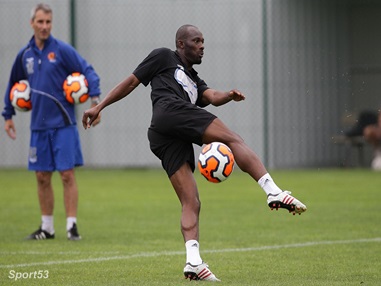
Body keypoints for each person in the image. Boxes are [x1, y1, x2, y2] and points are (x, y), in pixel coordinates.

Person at [82, 24, 307, 281]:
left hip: (162, 135)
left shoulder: (194, 79)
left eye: (203, 41)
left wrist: (229, 95)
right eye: (196, 41)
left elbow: (210, 95)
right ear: (181, 44)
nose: (202, 46)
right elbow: (132, 82)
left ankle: (193, 262)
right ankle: (272, 191)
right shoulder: (164, 56)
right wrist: (99, 106)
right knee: (234, 139)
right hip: (170, 112)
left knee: (191, 201)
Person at [2, 3, 101, 241]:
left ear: (51, 23)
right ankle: (47, 228)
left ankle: (71, 227)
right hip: (38, 126)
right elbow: (13, 84)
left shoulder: (62, 50)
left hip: (63, 124)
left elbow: (88, 71)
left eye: (48, 22)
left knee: (67, 174)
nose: (44, 26)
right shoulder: (25, 54)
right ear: (32, 23)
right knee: (42, 176)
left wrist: (95, 102)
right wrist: (7, 115)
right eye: (40, 22)